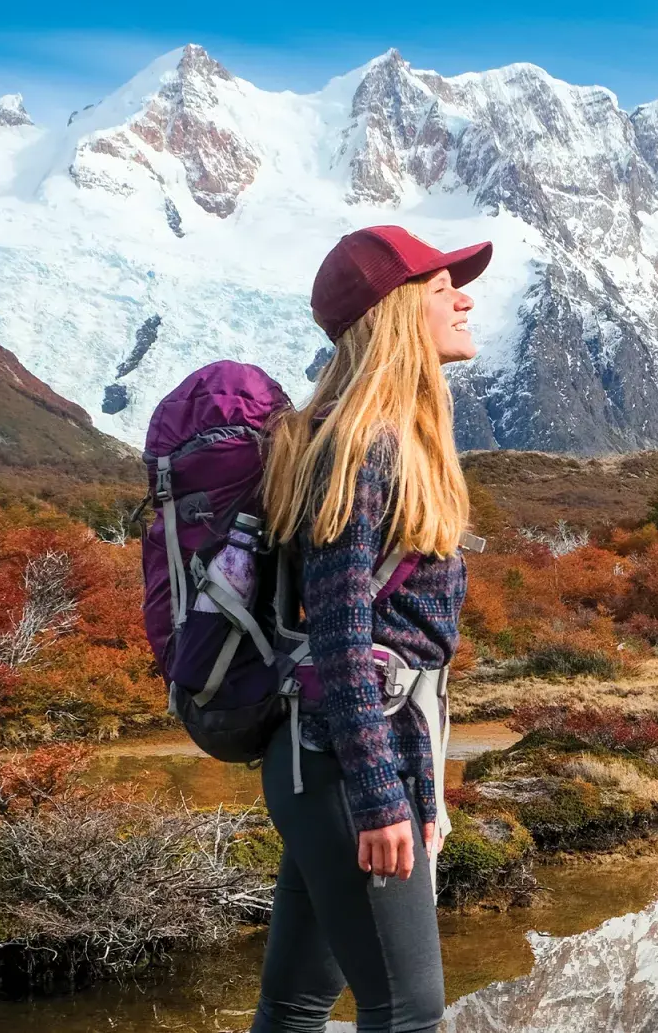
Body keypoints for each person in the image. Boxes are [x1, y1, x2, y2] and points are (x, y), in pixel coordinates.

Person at [250, 225, 491, 1033]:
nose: (463, 298)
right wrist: (384, 796)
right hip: (345, 762)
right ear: (392, 314)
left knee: (296, 1003)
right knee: (408, 1011)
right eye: (439, 289)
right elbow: (343, 636)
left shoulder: (380, 440)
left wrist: (410, 785)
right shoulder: (363, 449)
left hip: (327, 756)